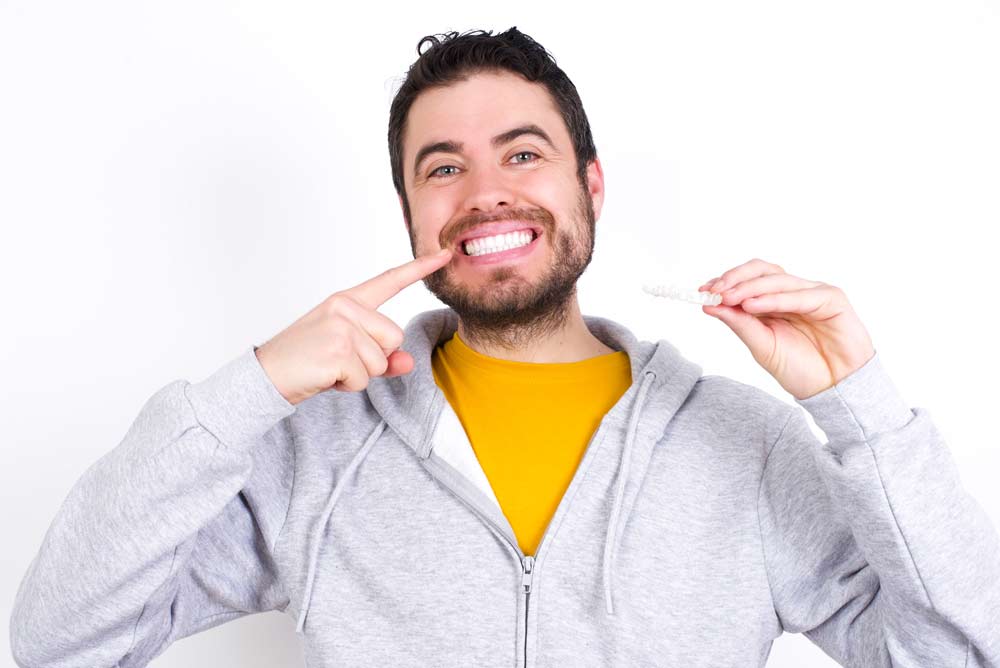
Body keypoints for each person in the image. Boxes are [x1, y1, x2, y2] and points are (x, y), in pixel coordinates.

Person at [10, 27, 999, 668]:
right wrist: (252, 387)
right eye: (444, 166)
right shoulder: (313, 450)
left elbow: (959, 655)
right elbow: (61, 639)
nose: (485, 190)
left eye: (522, 152)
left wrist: (861, 410)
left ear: (591, 186)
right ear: (411, 214)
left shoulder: (744, 448)